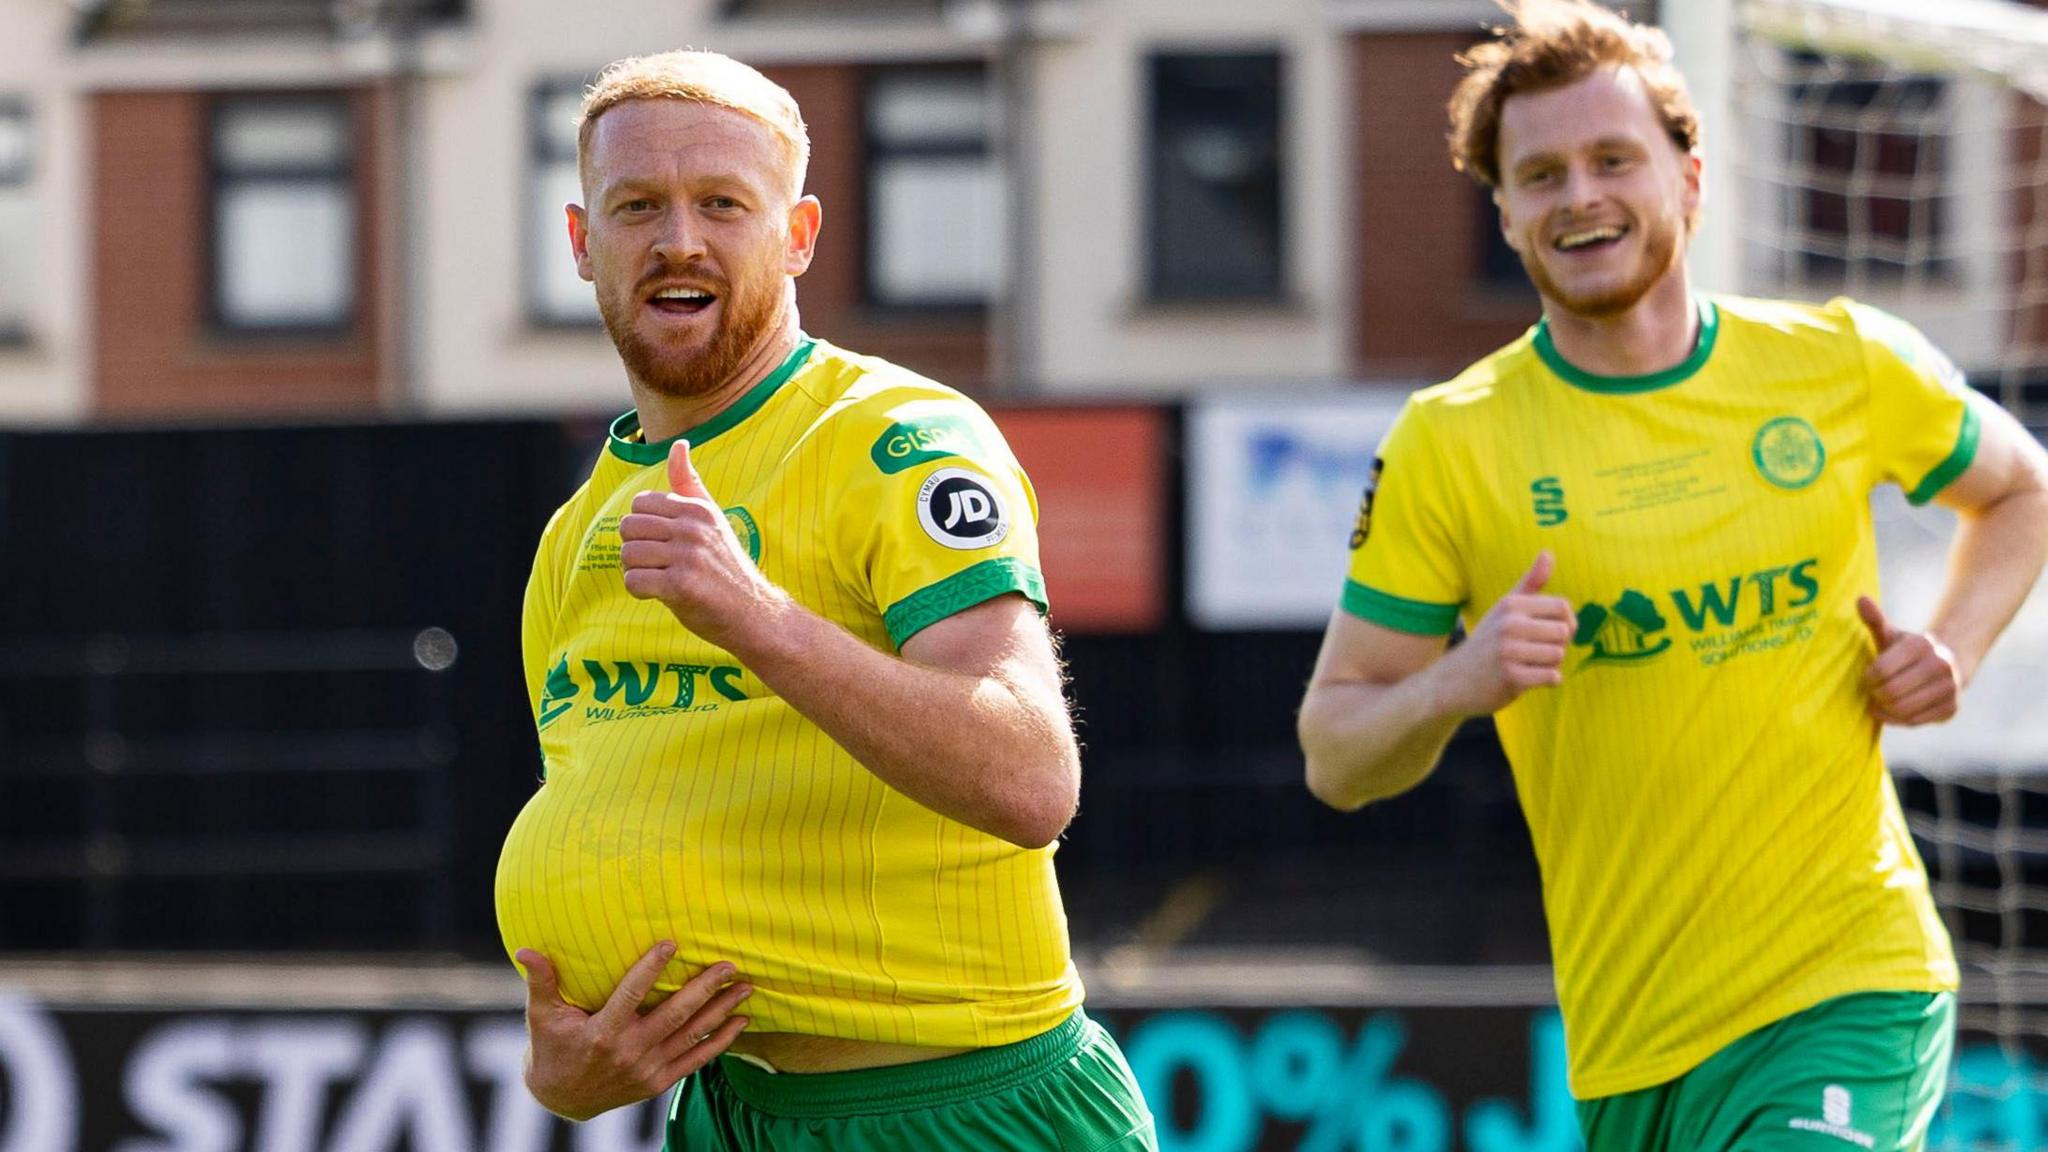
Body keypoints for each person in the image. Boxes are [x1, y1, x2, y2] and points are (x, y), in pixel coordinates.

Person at [1296, 2, 2048, 1149]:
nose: (1579, 196)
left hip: (1847, 980)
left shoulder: (1838, 361)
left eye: (1611, 160)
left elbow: (2020, 489)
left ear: (1689, 177)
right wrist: (1457, 680)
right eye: (1539, 174)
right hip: (1628, 1042)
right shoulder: (1448, 443)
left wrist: (1951, 644)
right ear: (1503, 213)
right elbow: (1334, 755)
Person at [493, 49, 1155, 1151]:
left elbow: (1032, 777)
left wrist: (755, 617)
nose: (678, 241)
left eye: (722, 204)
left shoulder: (898, 441)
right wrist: (565, 1074)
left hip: (964, 1111)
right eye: (637, 207)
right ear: (579, 243)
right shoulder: (576, 535)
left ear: (797, 235)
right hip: (734, 1114)